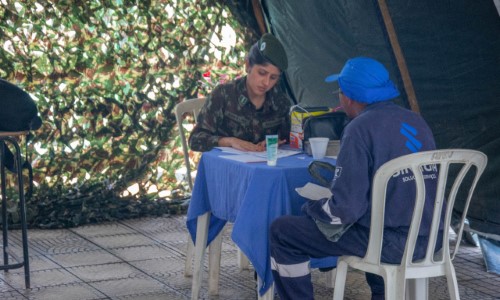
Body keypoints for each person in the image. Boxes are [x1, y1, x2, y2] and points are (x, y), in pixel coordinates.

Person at [269, 57, 441, 299]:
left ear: (348, 97)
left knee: (283, 232)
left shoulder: (359, 129)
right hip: (434, 239)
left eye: (339, 91)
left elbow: (345, 210)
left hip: (392, 244)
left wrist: (314, 209)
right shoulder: (415, 120)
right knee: (374, 220)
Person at [189, 33, 291, 152]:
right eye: (262, 73)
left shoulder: (280, 101)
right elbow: (195, 140)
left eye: (273, 77)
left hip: (264, 167)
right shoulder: (223, 95)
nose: (266, 83)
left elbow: (288, 138)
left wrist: (276, 142)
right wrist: (229, 141)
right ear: (248, 65)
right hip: (228, 167)